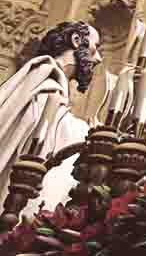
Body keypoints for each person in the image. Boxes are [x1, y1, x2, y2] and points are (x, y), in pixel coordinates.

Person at [0, 21, 100, 214]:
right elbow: (44, 130)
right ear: (76, 40)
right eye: (95, 49)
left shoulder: (44, 78)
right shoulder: (46, 77)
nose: (99, 59)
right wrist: (89, 132)